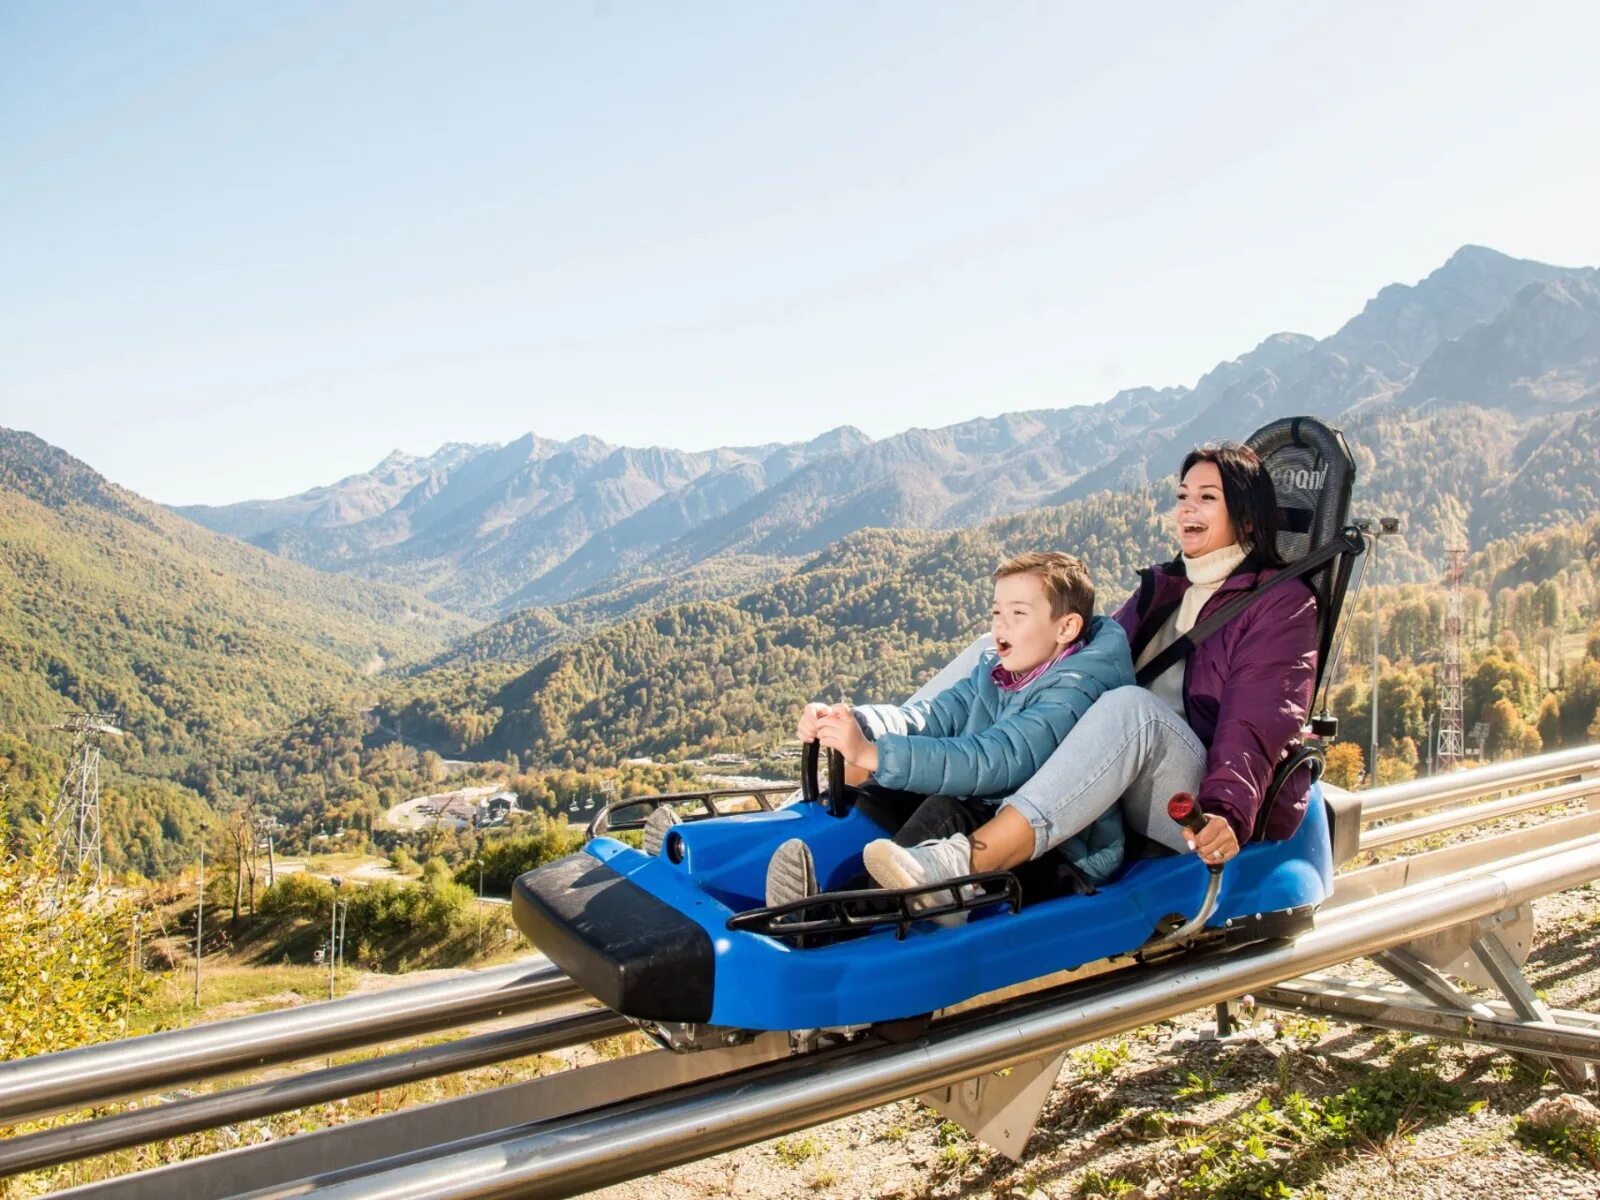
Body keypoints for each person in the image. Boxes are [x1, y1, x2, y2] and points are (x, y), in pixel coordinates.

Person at [857, 442, 1319, 903]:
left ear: (1247, 516)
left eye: (1208, 498)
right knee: (995, 650)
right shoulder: (1166, 586)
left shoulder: (1282, 605)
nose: (1188, 509)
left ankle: (969, 861)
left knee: (1133, 708)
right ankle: (871, 757)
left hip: (1199, 804)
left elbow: (1255, 725)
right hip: (1113, 768)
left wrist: (1225, 809)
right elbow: (1083, 658)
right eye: (1182, 496)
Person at [765, 550, 1136, 912]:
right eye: (996, 612)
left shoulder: (1077, 689)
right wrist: (856, 722)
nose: (1000, 626)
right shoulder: (998, 672)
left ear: (1066, 627)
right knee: (891, 789)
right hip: (993, 806)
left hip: (1059, 850)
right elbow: (932, 718)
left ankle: (822, 920)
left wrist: (873, 754)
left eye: (1018, 614)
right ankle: (828, 877)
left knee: (946, 809)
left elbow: (998, 760)